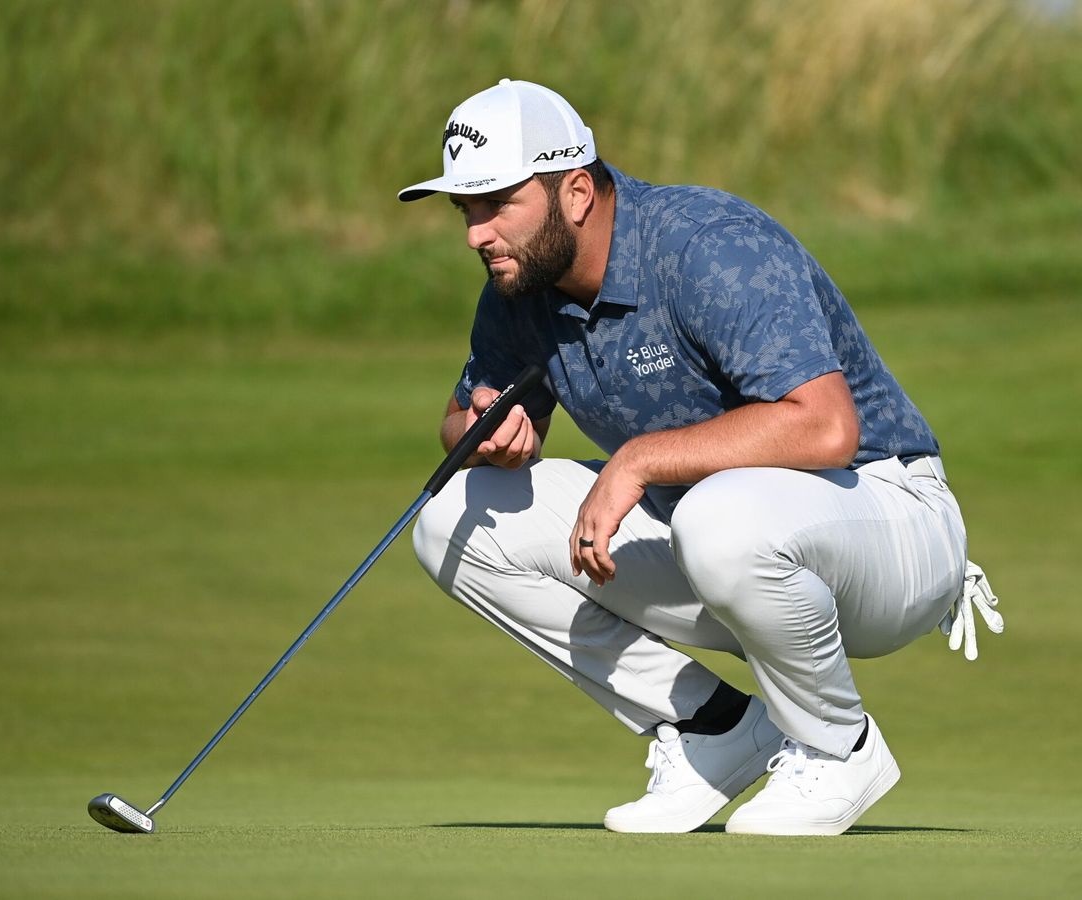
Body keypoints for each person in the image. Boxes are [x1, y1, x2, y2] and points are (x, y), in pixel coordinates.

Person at [398, 78, 1002, 836]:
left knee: (718, 514)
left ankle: (839, 747)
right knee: (452, 521)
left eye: (496, 205)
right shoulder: (521, 289)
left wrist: (638, 461)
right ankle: (717, 728)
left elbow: (825, 430)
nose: (475, 234)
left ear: (576, 192)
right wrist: (481, 433)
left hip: (889, 520)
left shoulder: (704, 244)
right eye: (466, 210)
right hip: (721, 543)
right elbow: (463, 421)